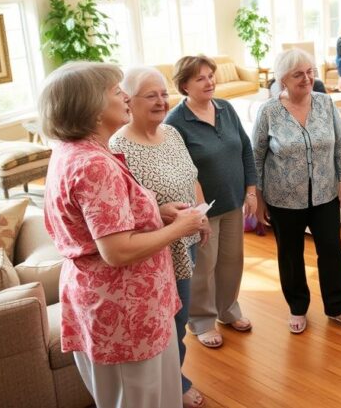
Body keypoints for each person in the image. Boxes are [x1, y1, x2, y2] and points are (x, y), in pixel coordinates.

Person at [39, 62, 206, 407]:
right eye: (117, 92)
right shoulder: (94, 165)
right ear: (93, 108)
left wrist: (156, 214)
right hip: (125, 313)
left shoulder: (73, 153)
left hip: (111, 306)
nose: (125, 97)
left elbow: (95, 225)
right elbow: (116, 250)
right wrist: (179, 228)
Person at [110, 67, 210, 408]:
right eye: (151, 96)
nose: (161, 101)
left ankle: (173, 378)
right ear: (129, 101)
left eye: (163, 94)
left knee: (180, 318)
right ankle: (174, 384)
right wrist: (165, 211)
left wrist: (201, 214)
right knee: (169, 322)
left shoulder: (171, 133)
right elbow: (123, 208)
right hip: (153, 249)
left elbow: (192, 177)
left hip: (186, 239)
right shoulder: (118, 146)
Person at [250, 49, 341, 334]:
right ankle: (297, 307)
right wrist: (258, 197)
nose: (307, 78)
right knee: (290, 254)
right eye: (298, 74)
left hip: (325, 194)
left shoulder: (325, 103)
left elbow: (339, 145)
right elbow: (256, 156)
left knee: (332, 250)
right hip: (282, 198)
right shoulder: (268, 111)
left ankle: (337, 306)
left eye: (310, 71)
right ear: (283, 79)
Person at [166, 55, 258, 349]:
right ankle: (202, 321)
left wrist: (251, 190)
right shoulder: (175, 123)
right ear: (184, 85)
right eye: (200, 78)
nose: (210, 82)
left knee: (232, 261)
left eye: (210, 75)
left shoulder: (226, 108)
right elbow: (179, 171)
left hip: (234, 201)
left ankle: (228, 310)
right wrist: (196, 211)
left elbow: (245, 148)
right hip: (202, 210)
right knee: (204, 267)